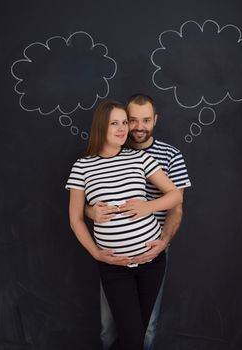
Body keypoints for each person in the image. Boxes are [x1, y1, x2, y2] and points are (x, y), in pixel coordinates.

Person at [66, 100, 183, 350]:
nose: (122, 129)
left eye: (123, 123)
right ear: (101, 127)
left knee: (138, 334)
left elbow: (175, 196)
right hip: (114, 267)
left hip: (152, 261)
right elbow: (76, 218)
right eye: (115, 123)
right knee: (128, 335)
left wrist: (146, 207)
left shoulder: (139, 158)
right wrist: (96, 253)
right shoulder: (82, 166)